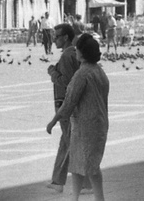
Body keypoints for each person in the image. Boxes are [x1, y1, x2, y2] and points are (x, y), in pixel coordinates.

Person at [45, 33, 109, 201]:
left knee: (83, 164)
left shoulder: (83, 74)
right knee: (88, 165)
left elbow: (69, 101)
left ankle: (85, 198)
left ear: (82, 53)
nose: (75, 52)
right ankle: (91, 198)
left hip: (84, 125)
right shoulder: (99, 71)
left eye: (78, 50)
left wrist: (53, 121)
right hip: (99, 124)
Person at [47, 23, 91, 195]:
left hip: (67, 104)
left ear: (65, 37)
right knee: (67, 141)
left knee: (72, 142)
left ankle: (86, 183)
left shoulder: (67, 56)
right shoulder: (74, 54)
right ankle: (58, 180)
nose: (54, 39)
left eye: (56, 36)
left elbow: (66, 82)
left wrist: (52, 73)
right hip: (72, 104)